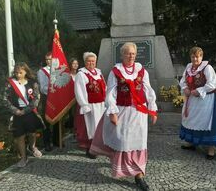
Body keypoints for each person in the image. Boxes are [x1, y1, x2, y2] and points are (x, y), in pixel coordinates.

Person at [89, 42, 157, 191]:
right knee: (123, 141)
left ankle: (139, 175)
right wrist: (112, 112)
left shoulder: (141, 70)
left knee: (139, 142)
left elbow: (148, 89)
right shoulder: (115, 72)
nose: (131, 56)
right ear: (122, 55)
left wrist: (152, 108)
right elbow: (110, 93)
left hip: (139, 112)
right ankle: (121, 166)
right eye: (128, 53)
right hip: (123, 111)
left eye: (133, 53)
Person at [179, 46, 216, 160]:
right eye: (193, 57)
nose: (195, 59)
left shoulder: (207, 68)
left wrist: (199, 90)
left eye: (197, 57)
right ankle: (192, 143)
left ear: (201, 57)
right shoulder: (189, 67)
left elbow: (213, 84)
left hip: (206, 100)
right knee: (192, 120)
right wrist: (185, 88)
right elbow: (183, 80)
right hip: (192, 99)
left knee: (206, 122)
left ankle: (211, 149)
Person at [4, 62, 44, 167]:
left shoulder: (32, 82)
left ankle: (32, 147)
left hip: (29, 111)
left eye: (20, 73)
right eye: (16, 73)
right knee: (19, 136)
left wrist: (25, 110)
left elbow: (36, 98)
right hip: (17, 112)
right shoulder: (10, 83)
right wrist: (15, 110)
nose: (18, 75)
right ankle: (23, 158)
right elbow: (5, 99)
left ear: (26, 72)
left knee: (32, 133)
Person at [74, 52, 106, 157]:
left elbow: (104, 87)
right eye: (89, 61)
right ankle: (90, 149)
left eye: (93, 61)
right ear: (85, 62)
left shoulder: (98, 72)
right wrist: (84, 105)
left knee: (100, 126)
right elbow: (79, 90)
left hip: (101, 104)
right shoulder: (81, 74)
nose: (91, 63)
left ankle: (99, 147)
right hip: (90, 105)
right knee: (91, 127)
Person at [37, 52, 59, 151]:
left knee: (57, 119)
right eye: (47, 59)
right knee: (47, 121)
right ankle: (47, 142)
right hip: (48, 98)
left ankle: (57, 140)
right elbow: (43, 88)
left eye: (50, 59)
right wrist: (53, 92)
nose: (48, 61)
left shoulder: (58, 70)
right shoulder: (42, 71)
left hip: (57, 98)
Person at [65, 58, 79, 131]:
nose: (75, 65)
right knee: (71, 115)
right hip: (70, 98)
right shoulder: (67, 76)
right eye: (74, 63)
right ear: (70, 65)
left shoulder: (79, 75)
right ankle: (70, 130)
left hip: (78, 98)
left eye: (76, 63)